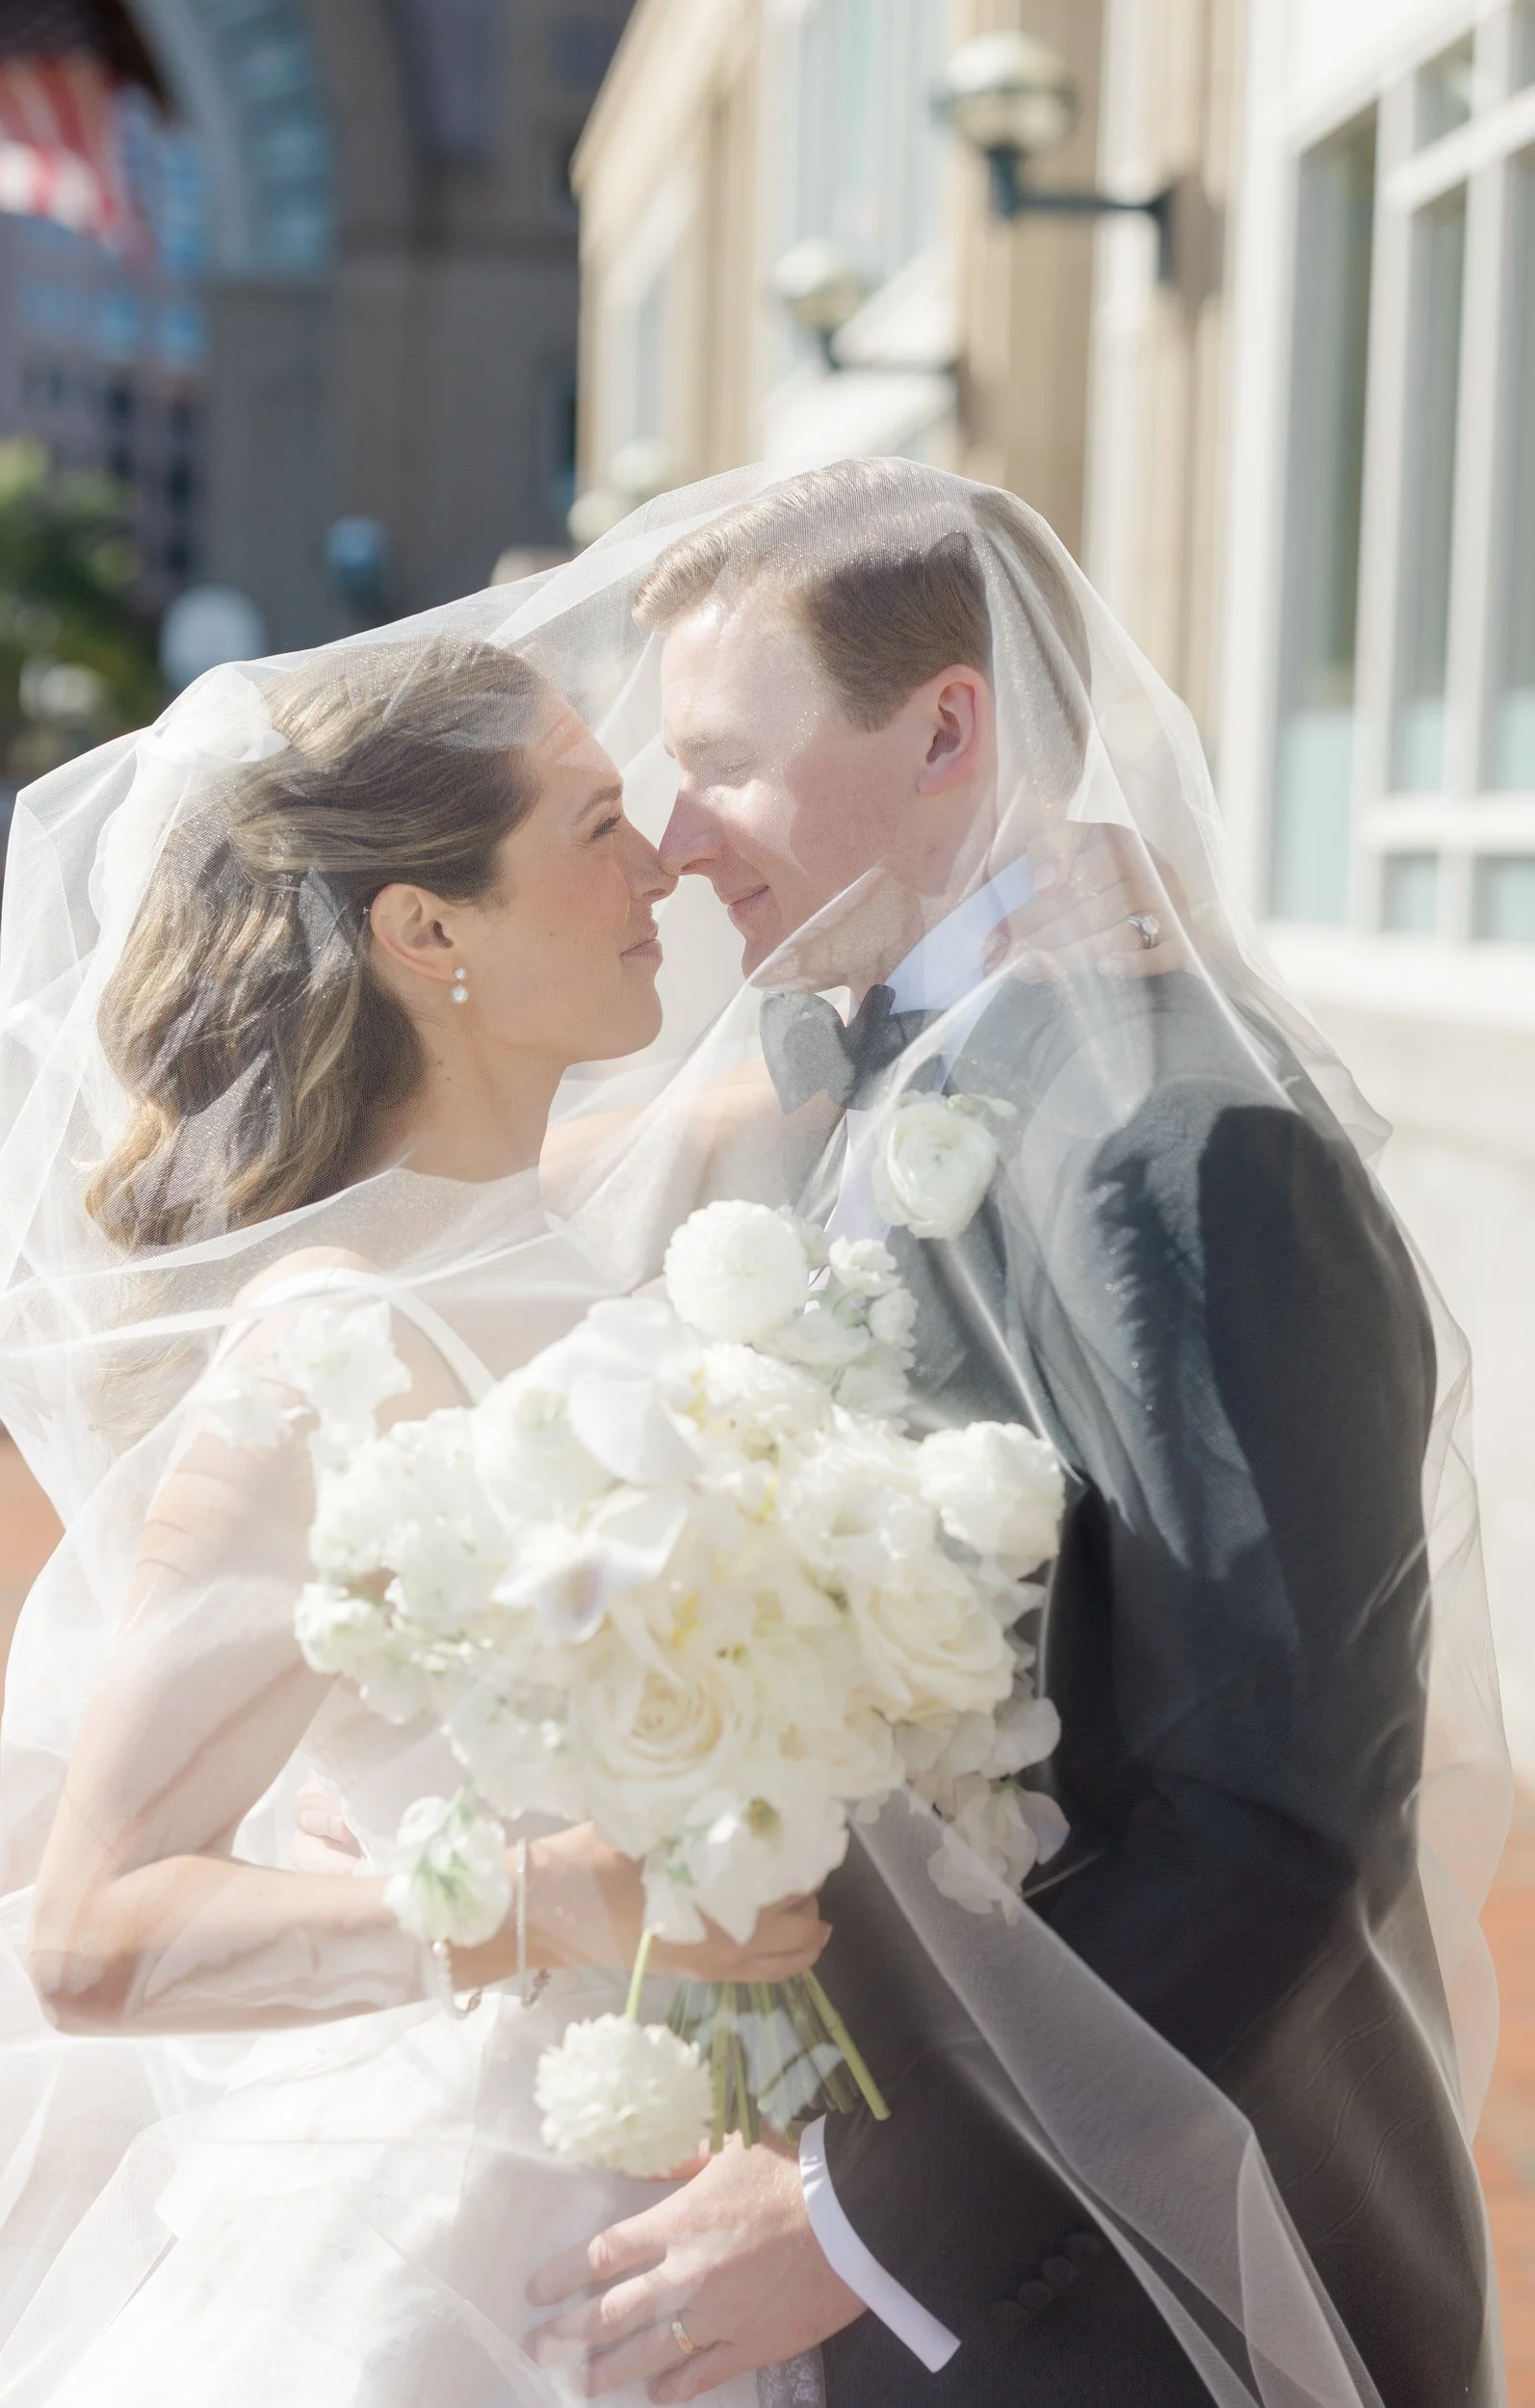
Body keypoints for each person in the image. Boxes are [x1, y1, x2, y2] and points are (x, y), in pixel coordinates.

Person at [0, 567, 1171, 2408]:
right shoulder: (322, 1353)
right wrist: (554, 1898)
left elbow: (782, 1091)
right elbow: (91, 1936)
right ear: (428, 928)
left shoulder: (556, 1225)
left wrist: (1024, 926)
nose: (661, 862)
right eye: (596, 826)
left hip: (711, 2188)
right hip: (467, 2244)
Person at [521, 463, 1504, 2408]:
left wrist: (863, 2216)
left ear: (945, 728)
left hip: (1129, 2300)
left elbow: (1273, 1813)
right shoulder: (859, 1078)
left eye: (722, 761)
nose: (675, 835)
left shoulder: (1183, 1151)